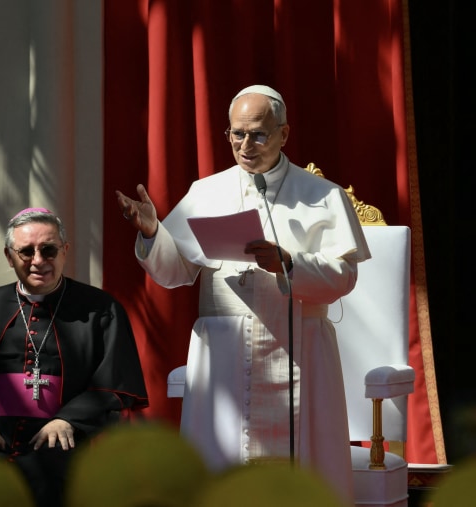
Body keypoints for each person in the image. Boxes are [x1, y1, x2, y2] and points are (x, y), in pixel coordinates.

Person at [115, 84, 370, 502]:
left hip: (301, 352)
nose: (245, 145)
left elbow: (344, 277)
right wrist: (153, 233)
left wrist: (289, 262)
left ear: (284, 134)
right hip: (227, 360)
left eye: (258, 134)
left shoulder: (323, 196)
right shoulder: (206, 192)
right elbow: (176, 272)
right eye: (237, 134)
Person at [0, 208, 149, 507]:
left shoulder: (101, 309)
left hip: (66, 433)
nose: (38, 261)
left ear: (65, 252)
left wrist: (67, 420)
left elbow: (113, 384)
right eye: (26, 252)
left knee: (54, 478)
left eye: (48, 250)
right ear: (9, 257)